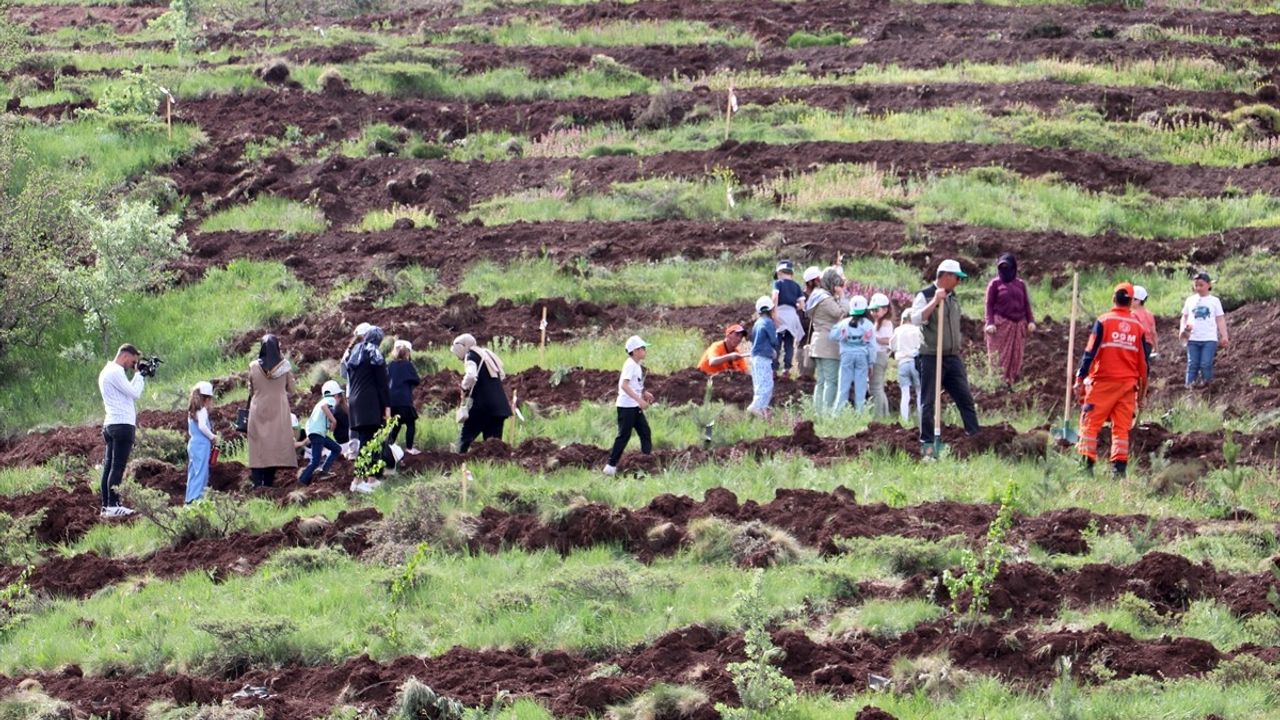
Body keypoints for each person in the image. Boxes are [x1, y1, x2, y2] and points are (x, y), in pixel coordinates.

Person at [1075, 283, 1151, 477]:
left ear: (1113, 299)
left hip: (1102, 384)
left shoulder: (1104, 321)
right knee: (1121, 429)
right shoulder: (1138, 328)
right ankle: (1118, 471)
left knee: (1090, 424)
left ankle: (1086, 468)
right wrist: (1142, 393)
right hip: (1127, 386)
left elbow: (1089, 352)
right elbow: (1143, 364)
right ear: (1131, 302)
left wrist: (1080, 377)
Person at [911, 259, 980, 453]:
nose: (959, 282)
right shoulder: (925, 295)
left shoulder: (953, 297)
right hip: (931, 356)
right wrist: (935, 301)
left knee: (965, 397)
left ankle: (975, 436)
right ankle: (927, 442)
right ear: (946, 276)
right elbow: (915, 319)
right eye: (957, 278)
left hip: (952, 357)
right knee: (929, 401)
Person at [98, 344, 145, 517]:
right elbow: (135, 393)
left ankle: (106, 506)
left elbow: (126, 391)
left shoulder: (107, 371)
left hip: (110, 424)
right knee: (117, 467)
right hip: (122, 424)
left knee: (109, 467)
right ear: (125, 356)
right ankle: (113, 505)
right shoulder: (116, 371)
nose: (132, 366)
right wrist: (140, 375)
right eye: (133, 361)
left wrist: (137, 376)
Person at [247, 334, 297, 487]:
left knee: (257, 449)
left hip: (258, 411)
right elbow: (293, 390)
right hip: (278, 412)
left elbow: (250, 390)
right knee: (273, 447)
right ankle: (268, 485)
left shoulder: (253, 366)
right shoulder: (285, 366)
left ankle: (257, 485)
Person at [451, 333, 512, 453]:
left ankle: (456, 462)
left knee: (465, 438)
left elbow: (471, 375)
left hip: (482, 406)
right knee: (493, 445)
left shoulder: (471, 356)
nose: (458, 358)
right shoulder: (487, 354)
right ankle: (495, 467)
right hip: (500, 406)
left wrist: (464, 387)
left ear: (462, 348)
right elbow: (502, 375)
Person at [604, 335, 655, 476]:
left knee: (645, 431)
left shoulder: (637, 366)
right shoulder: (630, 365)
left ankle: (647, 462)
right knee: (624, 436)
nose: (645, 351)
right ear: (636, 350)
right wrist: (640, 401)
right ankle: (610, 466)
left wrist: (644, 393)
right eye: (643, 348)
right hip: (626, 407)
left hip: (634, 407)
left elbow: (635, 384)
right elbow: (624, 385)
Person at [984, 253, 1036, 389]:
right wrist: (990, 323)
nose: (1005, 271)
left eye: (1007, 267)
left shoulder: (1020, 284)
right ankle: (997, 383)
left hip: (1018, 324)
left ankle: (1011, 382)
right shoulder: (995, 284)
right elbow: (988, 305)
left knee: (1016, 355)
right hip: (1001, 324)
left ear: (1014, 268)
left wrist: (1030, 321)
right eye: (1002, 268)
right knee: (999, 355)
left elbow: (1026, 304)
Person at [345, 325, 392, 468]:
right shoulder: (375, 354)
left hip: (354, 401)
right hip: (369, 402)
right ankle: (363, 477)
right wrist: (387, 406)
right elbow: (382, 384)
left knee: (364, 437)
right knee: (370, 439)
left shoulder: (355, 353)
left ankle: (367, 476)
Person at [806, 267, 846, 415]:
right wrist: (842, 296)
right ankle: (827, 413)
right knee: (831, 381)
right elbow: (841, 313)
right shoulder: (826, 299)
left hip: (818, 343)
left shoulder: (816, 296)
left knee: (821, 381)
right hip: (828, 344)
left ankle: (818, 412)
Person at [1180, 271, 1228, 389]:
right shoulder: (1190, 300)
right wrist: (1182, 330)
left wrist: (1224, 336)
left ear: (1208, 285)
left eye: (1201, 285)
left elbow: (1220, 319)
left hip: (1209, 339)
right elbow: (1184, 317)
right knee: (1192, 364)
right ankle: (1189, 388)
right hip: (1192, 338)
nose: (1198, 288)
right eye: (1196, 285)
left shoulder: (1214, 301)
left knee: (1205, 364)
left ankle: (1207, 386)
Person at [830, 295, 876, 414]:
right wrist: (871, 363)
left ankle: (837, 414)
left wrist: (842, 336)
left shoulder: (843, 323)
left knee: (843, 387)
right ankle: (860, 414)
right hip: (862, 357)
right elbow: (872, 346)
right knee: (860, 388)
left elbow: (832, 335)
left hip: (846, 356)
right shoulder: (868, 324)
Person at [299, 381, 344, 485]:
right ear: (335, 395)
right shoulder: (329, 400)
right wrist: (334, 421)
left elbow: (326, 422)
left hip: (317, 432)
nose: (340, 399)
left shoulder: (323, 401)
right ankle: (302, 480)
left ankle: (324, 471)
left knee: (337, 449)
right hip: (317, 433)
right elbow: (325, 407)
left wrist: (330, 425)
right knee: (316, 460)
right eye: (339, 396)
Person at [771, 260, 805, 376]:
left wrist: (774, 313)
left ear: (779, 272)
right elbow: (802, 305)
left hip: (780, 312)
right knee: (789, 343)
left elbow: (775, 298)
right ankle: (787, 369)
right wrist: (794, 308)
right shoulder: (797, 286)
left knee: (777, 342)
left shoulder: (778, 283)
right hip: (791, 315)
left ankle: (774, 369)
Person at [185, 381, 217, 504]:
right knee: (201, 472)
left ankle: (189, 498)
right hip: (201, 445)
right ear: (206, 398)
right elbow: (203, 427)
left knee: (193, 472)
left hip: (193, 443)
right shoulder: (202, 410)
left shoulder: (192, 411)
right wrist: (212, 436)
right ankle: (197, 500)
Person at [387, 339, 421, 455]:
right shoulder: (408, 365)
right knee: (410, 423)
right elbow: (416, 380)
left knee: (396, 425)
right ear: (407, 353)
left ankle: (389, 446)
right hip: (404, 399)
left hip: (391, 401)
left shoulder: (390, 365)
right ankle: (409, 448)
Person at [747, 296, 779, 418]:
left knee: (758, 385)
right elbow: (774, 340)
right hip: (763, 357)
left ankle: (760, 411)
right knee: (766, 385)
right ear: (770, 309)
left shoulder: (757, 323)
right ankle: (756, 408)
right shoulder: (768, 322)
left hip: (754, 357)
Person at [891, 309, 925, 423]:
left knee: (905, 394)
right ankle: (922, 418)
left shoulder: (898, 330)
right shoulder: (918, 330)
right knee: (920, 392)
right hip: (916, 362)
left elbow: (892, 346)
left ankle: (904, 419)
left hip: (903, 363)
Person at [868, 293, 894, 417]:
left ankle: (878, 415)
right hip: (880, 355)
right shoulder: (880, 322)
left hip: (879, 355)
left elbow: (889, 340)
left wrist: (875, 339)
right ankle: (885, 414)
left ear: (885, 309)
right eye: (872, 310)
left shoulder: (886, 323)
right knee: (878, 387)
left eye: (876, 310)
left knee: (875, 388)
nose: (873, 313)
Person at [1132, 286, 1158, 353]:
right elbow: (1153, 333)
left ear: (1138, 300)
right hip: (1148, 346)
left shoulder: (1133, 315)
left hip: (1137, 345)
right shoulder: (1149, 314)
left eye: (1131, 299)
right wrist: (1156, 348)